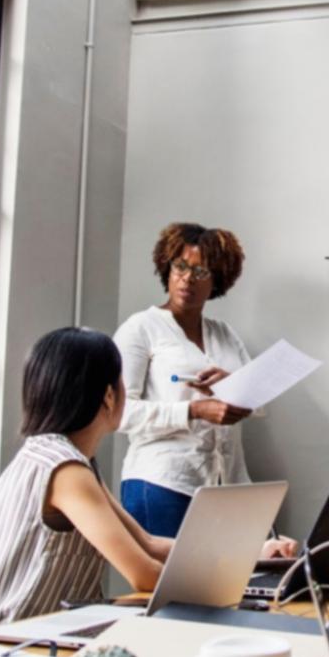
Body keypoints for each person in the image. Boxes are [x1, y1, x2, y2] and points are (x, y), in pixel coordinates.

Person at [0, 327, 294, 629]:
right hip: (17, 641)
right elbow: (144, 575)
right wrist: (238, 587)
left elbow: (148, 544)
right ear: (109, 396)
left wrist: (254, 552)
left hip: (41, 630)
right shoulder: (65, 470)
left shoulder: (65, 459)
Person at [114, 223, 257, 537]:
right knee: (169, 587)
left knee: (228, 585)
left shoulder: (224, 334)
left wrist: (230, 384)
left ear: (217, 280)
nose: (187, 278)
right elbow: (120, 413)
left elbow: (257, 402)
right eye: (180, 267)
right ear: (167, 267)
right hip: (162, 483)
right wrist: (194, 410)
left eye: (201, 272)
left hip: (225, 486)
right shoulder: (140, 328)